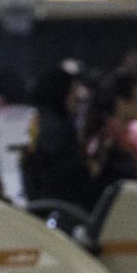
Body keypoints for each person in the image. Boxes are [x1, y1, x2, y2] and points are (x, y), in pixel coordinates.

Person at [20, 66, 95, 210]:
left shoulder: (39, 120)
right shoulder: (56, 128)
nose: (78, 97)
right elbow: (65, 176)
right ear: (60, 91)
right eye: (72, 91)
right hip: (59, 209)